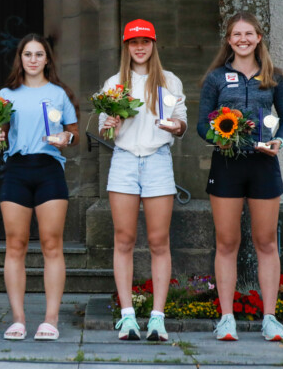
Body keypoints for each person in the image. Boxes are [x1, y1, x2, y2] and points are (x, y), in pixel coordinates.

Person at [197, 12, 283, 342]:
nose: (242, 39)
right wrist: (221, 138)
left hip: (264, 165)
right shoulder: (215, 79)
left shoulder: (275, 78)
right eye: (236, 34)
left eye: (248, 33)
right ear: (228, 40)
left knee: (266, 242)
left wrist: (278, 141)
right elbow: (201, 126)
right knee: (227, 243)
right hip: (226, 165)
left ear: (258, 37)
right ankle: (226, 319)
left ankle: (270, 318)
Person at [99, 19, 187, 342]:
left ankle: (158, 319)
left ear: (154, 44)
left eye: (145, 42)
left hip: (157, 162)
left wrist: (176, 127)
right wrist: (110, 123)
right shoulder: (114, 82)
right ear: (126, 46)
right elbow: (104, 131)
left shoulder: (169, 81)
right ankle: (127, 317)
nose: (140, 48)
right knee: (123, 239)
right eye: (134, 43)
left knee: (158, 241)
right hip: (123, 162)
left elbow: (182, 123)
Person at [0, 33, 79, 341]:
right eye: (27, 54)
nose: (32, 59)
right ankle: (17, 319)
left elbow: (73, 132)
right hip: (17, 169)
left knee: (51, 245)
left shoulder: (58, 93)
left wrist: (66, 138)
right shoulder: (6, 93)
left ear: (47, 59)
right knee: (15, 245)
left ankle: (50, 320)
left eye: (38, 54)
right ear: (21, 58)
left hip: (49, 169)